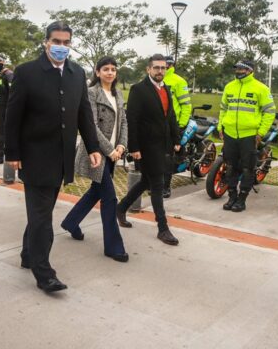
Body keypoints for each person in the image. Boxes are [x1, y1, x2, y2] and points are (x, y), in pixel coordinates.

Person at [5, 21, 101, 293]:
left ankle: (27, 254)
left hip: (62, 158)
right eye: (56, 42)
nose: (61, 47)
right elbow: (13, 117)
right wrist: (12, 152)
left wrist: (93, 147)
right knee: (42, 218)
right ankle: (44, 272)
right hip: (34, 157)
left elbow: (84, 113)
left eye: (66, 43)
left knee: (41, 212)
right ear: (46, 42)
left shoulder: (76, 73)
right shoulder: (26, 72)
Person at [61, 56, 129, 262]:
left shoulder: (118, 95)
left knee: (95, 192)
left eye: (113, 69)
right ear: (97, 72)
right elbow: (90, 126)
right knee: (109, 198)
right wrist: (109, 150)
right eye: (105, 69)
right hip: (97, 153)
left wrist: (121, 145)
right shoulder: (91, 93)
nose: (110, 72)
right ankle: (114, 247)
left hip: (113, 153)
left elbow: (124, 122)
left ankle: (71, 222)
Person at [116, 54, 181, 246]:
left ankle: (121, 208)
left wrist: (176, 138)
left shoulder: (166, 89)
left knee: (146, 181)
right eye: (156, 68)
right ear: (148, 69)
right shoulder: (139, 89)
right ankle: (163, 228)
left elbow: (171, 117)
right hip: (145, 146)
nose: (160, 71)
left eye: (163, 68)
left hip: (163, 144)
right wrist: (133, 147)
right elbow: (132, 119)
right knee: (158, 184)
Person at [218, 59, 276, 212]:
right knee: (230, 167)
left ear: (250, 70)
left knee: (247, 169)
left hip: (249, 135)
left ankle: (242, 199)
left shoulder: (261, 88)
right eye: (237, 68)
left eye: (242, 69)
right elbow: (223, 109)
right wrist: (220, 126)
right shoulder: (229, 87)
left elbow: (269, 112)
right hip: (230, 134)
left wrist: (260, 132)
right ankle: (232, 197)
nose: (238, 71)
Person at [162, 55, 192, 198]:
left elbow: (186, 105)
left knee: (167, 157)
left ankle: (166, 187)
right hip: (154, 125)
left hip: (171, 125)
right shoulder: (153, 79)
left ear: (170, 65)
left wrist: (181, 126)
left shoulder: (179, 81)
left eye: (164, 65)